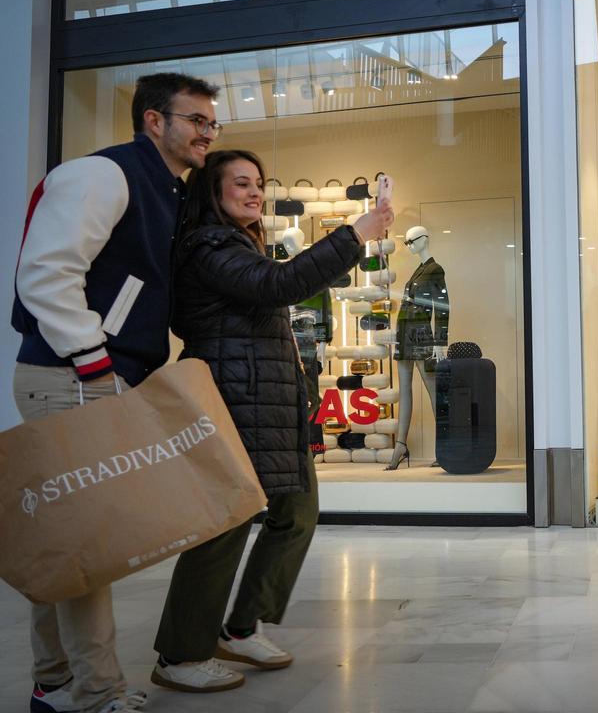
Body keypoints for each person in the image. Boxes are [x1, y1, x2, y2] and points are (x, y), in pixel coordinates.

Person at [12, 72, 219, 713]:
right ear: (153, 121)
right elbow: (45, 273)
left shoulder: (167, 190)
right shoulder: (103, 175)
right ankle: (97, 692)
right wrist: (94, 364)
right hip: (71, 376)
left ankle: (54, 683)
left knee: (66, 538)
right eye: (195, 120)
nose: (207, 132)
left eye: (213, 123)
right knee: (88, 545)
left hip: (89, 375)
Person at [150, 150, 393, 693]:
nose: (254, 192)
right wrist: (356, 232)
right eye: (240, 183)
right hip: (232, 402)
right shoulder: (208, 246)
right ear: (212, 193)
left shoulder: (241, 243)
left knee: (297, 513)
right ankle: (180, 653)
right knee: (225, 525)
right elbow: (277, 286)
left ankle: (238, 629)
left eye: (258, 183)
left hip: (269, 404)